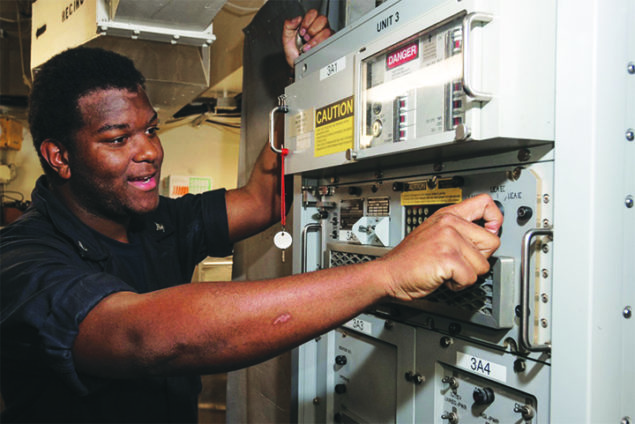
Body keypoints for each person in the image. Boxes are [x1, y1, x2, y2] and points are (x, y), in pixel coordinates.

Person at [0, 10, 502, 424]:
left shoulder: (160, 221)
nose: (149, 151)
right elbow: (142, 336)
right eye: (117, 139)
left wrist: (305, 85)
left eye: (150, 130)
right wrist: (387, 272)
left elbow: (265, 199)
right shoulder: (22, 261)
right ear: (59, 157)